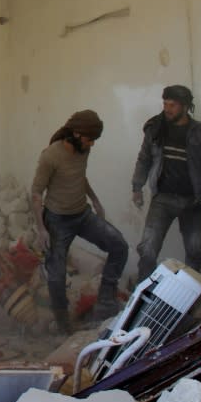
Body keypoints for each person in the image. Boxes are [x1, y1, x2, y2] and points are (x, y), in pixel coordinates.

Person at [31, 110, 128, 334]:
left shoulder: (82, 150)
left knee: (119, 246)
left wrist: (95, 201)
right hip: (57, 220)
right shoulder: (50, 156)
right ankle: (64, 324)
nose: (92, 144)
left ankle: (105, 304)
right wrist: (41, 228)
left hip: (82, 215)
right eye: (89, 139)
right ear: (75, 134)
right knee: (56, 275)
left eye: (94, 140)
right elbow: (36, 192)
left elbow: (79, 176)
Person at [132, 85, 201, 282]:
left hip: (193, 202)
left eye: (172, 105)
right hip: (162, 199)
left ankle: (188, 305)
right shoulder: (155, 128)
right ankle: (141, 299)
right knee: (147, 250)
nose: (167, 109)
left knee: (195, 253)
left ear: (186, 106)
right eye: (165, 104)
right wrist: (137, 187)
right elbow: (144, 158)